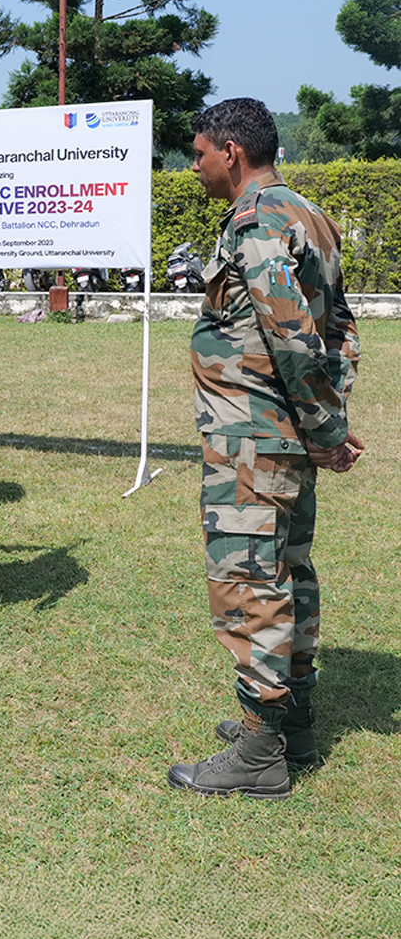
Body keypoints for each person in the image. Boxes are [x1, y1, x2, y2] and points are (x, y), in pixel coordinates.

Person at [168, 98, 363, 799]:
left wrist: (325, 430)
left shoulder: (255, 224)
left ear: (232, 152)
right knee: (289, 572)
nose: (194, 168)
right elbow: (339, 328)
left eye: (198, 154)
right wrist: (328, 420)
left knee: (252, 583)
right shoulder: (309, 215)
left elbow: (289, 334)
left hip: (252, 439)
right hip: (281, 438)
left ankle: (258, 752)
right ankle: (292, 724)